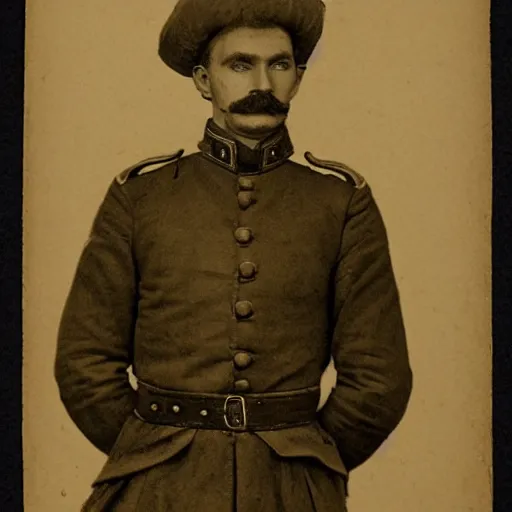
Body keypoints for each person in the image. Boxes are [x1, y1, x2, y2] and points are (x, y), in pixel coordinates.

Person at [54, 0, 413, 510]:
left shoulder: (341, 201)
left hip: (291, 491)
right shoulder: (139, 198)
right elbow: (84, 364)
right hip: (155, 490)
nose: (261, 83)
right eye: (240, 65)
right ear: (204, 80)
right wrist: (153, 457)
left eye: (280, 64)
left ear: (298, 78)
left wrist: (301, 462)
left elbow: (379, 380)